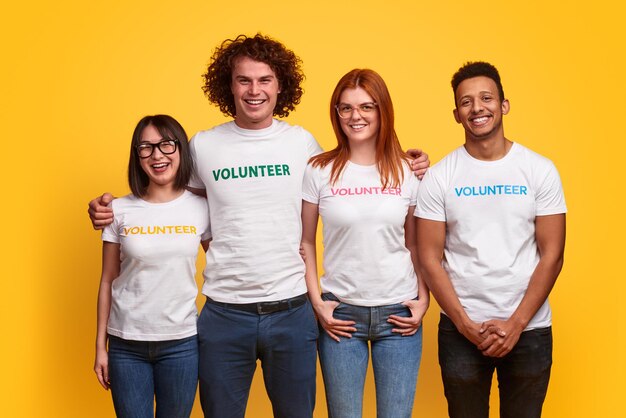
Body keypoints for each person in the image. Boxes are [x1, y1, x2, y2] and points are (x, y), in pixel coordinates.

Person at [88, 34, 430, 418]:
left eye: (264, 79)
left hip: (292, 310)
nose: (255, 90)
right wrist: (112, 208)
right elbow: (166, 197)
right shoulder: (203, 146)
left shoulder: (303, 145)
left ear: (280, 85)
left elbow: (355, 168)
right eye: (244, 80)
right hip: (224, 315)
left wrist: (407, 162)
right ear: (228, 85)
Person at [415, 62, 567, 418]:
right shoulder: (439, 177)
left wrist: (516, 325)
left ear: (504, 105)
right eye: (466, 102)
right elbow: (428, 258)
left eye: (486, 98)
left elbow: (553, 254)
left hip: (529, 330)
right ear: (456, 114)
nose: (477, 108)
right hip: (461, 331)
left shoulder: (539, 169)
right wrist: (466, 325)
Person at [301, 69, 429, 418]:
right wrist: (317, 303)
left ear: (382, 110)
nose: (355, 116)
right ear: (336, 113)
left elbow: (416, 245)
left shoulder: (408, 171)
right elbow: (306, 243)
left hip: (398, 316)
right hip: (341, 315)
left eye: (367, 107)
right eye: (346, 108)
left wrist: (424, 300)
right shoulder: (318, 170)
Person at [93, 115, 211, 418]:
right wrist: (100, 348)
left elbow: (224, 264)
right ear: (138, 156)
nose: (157, 155)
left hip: (181, 343)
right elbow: (107, 280)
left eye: (166, 145)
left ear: (181, 149)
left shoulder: (201, 208)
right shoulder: (117, 210)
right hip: (126, 345)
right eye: (146, 147)